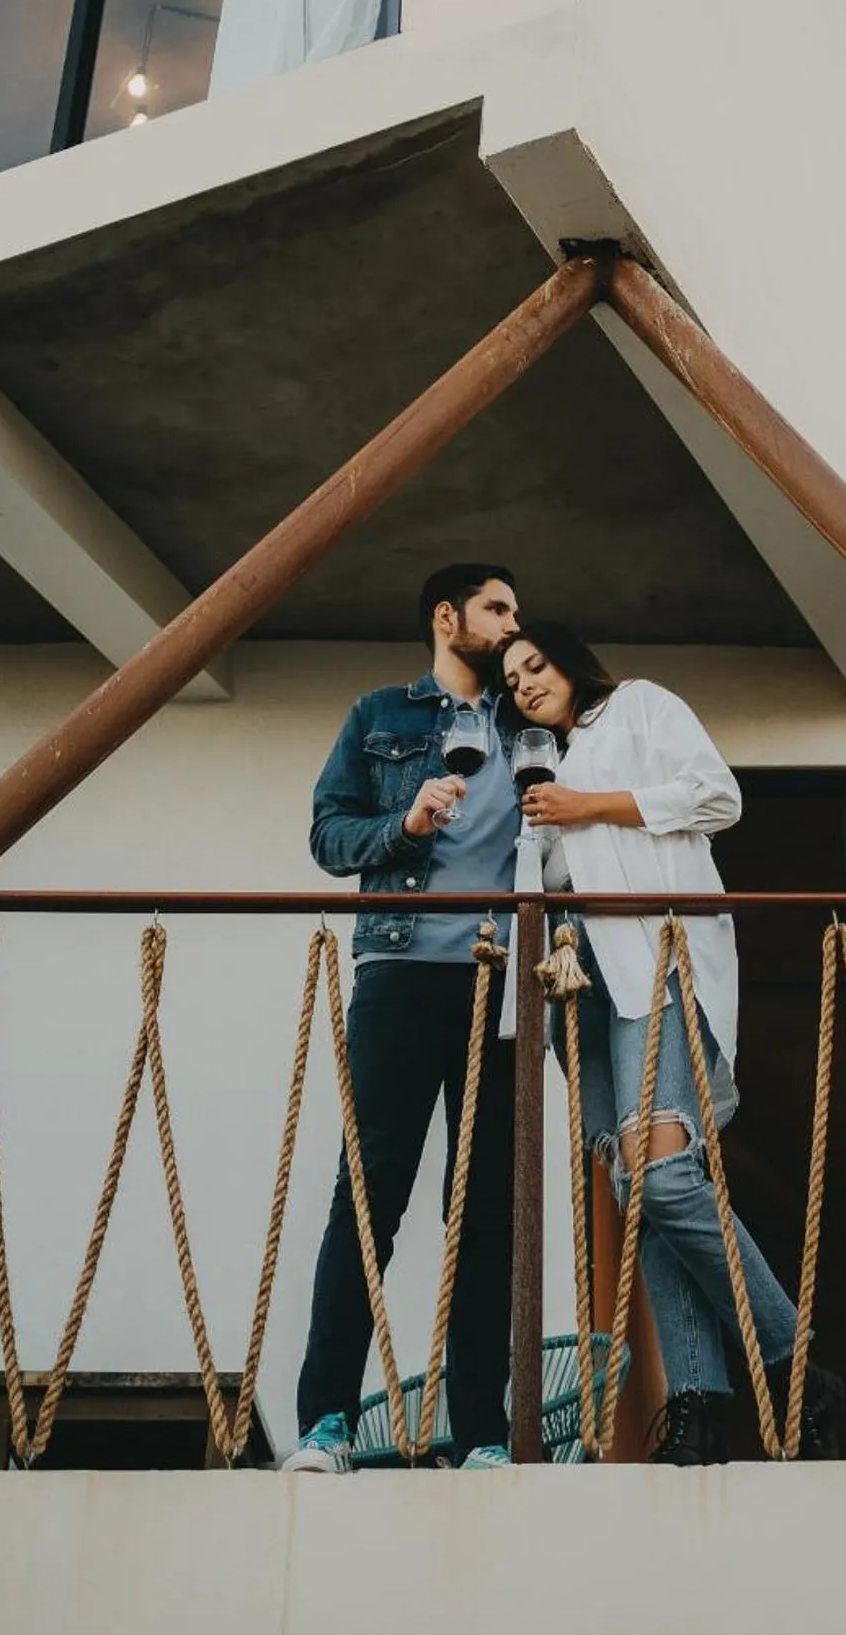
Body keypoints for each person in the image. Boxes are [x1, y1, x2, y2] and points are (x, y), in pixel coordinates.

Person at [501, 620, 846, 1466]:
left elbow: (717, 796)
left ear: (569, 660)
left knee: (662, 1176)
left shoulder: (638, 707)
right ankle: (696, 1403)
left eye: (534, 664)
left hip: (652, 959)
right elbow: (544, 879)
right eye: (509, 680)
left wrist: (586, 806)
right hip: (574, 980)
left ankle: (796, 1362)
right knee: (636, 1193)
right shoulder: (535, 766)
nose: (522, 683)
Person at [285, 564, 523, 1473]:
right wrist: (406, 825)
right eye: (497, 608)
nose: (511, 625)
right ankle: (326, 1424)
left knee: (485, 1213)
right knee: (369, 1192)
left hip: (504, 985)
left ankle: (483, 1435)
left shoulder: (529, 720)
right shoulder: (382, 713)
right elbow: (327, 834)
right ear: (446, 615)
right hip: (399, 969)